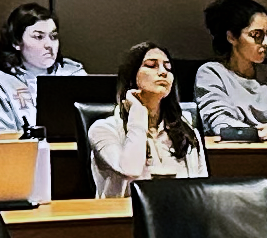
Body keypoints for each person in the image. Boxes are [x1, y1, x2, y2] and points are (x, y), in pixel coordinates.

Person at [83, 42, 207, 192]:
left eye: (168, 67)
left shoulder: (187, 132)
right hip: (128, 213)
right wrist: (138, 114)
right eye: (151, 65)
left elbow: (201, 190)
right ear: (131, 76)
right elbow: (131, 169)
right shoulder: (103, 130)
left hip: (179, 213)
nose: (163, 72)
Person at [193, 0, 267, 141]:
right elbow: (220, 124)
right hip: (235, 156)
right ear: (232, 37)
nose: (266, 42)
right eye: (256, 35)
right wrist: (257, 134)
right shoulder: (212, 73)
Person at [0, 2, 76, 140]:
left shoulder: (74, 74)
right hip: (22, 157)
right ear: (16, 42)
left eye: (53, 36)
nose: (49, 45)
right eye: (39, 37)